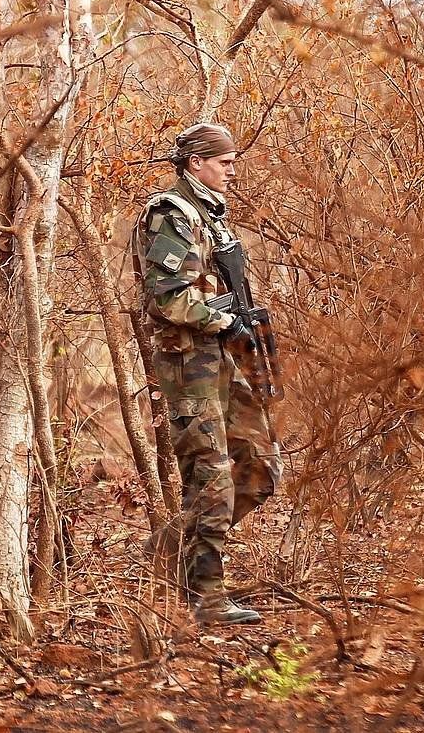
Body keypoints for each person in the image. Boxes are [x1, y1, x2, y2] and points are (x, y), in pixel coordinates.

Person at [132, 122, 282, 625]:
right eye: (224, 161)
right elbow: (168, 296)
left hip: (221, 354)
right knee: (212, 476)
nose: (232, 169)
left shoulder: (211, 215)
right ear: (195, 162)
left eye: (233, 160)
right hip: (189, 360)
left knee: (259, 467)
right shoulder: (170, 213)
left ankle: (168, 553)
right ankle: (207, 595)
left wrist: (242, 329)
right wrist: (223, 318)